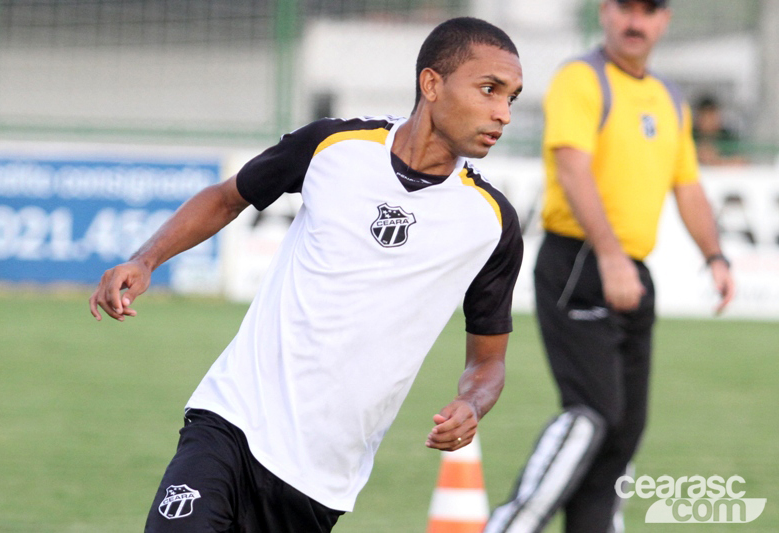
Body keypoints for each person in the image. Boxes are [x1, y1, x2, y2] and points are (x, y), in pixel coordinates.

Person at [89, 17, 525, 533]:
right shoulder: (332, 148)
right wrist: (145, 259)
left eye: (512, 98)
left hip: (320, 479)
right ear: (431, 84)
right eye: (490, 90)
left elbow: (488, 361)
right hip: (231, 420)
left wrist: (471, 404)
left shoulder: (491, 223)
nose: (502, 113)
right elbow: (228, 197)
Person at [484, 1, 735, 532]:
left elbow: (687, 184)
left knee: (622, 432)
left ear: (665, 20)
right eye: (625, 7)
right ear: (605, 12)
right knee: (591, 414)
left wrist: (714, 256)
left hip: (631, 269)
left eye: (650, 10)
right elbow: (572, 170)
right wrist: (611, 255)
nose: (635, 21)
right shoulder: (582, 79)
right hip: (580, 259)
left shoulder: (668, 97)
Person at [692, 94, 747, 165]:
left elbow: (742, 159)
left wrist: (717, 159)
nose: (709, 122)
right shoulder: (690, 135)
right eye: (705, 117)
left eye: (711, 116)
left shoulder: (727, 136)